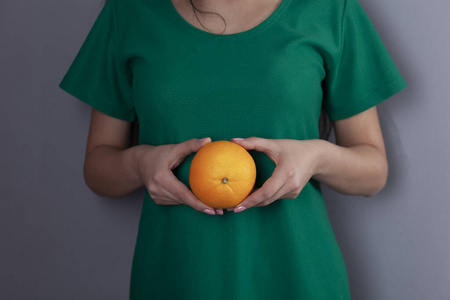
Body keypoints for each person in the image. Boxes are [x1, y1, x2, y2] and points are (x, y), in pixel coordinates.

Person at [58, 0, 407, 298]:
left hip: (299, 279)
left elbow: (372, 173)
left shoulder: (330, 8)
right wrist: (140, 163)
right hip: (176, 278)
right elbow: (98, 170)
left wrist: (315, 156)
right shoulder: (130, 11)